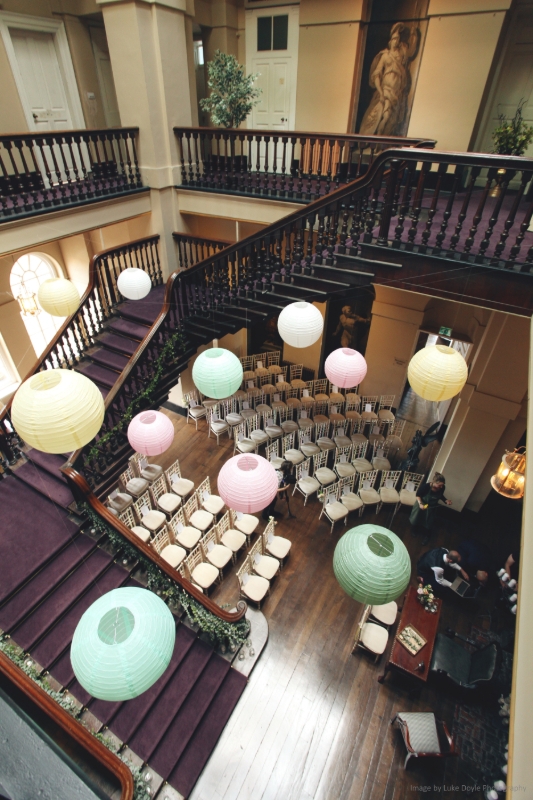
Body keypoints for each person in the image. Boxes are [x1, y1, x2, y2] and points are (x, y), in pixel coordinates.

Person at [359, 21, 420, 137]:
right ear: (390, 41)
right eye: (394, 39)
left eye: (397, 39)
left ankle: (380, 139)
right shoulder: (385, 55)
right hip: (385, 90)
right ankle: (377, 137)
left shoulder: (401, 54)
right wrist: (381, 92)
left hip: (396, 93)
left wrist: (414, 36)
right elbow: (376, 75)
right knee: (384, 116)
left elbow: (411, 52)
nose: (396, 41)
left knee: (391, 120)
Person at [409, 472, 452, 545]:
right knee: (416, 517)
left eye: (442, 485)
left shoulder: (442, 488)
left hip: (431, 506)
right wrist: (420, 504)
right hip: (422, 503)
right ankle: (414, 530)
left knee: (429, 522)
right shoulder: (425, 487)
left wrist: (445, 500)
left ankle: (427, 536)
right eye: (440, 485)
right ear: (434, 482)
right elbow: (418, 495)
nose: (441, 487)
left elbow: (440, 495)